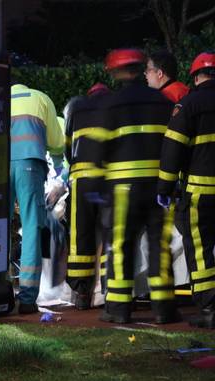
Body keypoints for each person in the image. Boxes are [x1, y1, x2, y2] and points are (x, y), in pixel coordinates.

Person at [91, 48, 177, 324]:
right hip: (157, 187)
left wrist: (96, 185)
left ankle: (117, 308)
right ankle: (163, 308)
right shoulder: (161, 102)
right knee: (158, 246)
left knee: (121, 246)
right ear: (140, 69)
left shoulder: (111, 104)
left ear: (117, 72)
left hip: (122, 189)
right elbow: (172, 143)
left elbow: (97, 149)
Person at [157, 52, 215, 328]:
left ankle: (209, 308)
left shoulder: (188, 105)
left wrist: (165, 187)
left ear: (195, 76)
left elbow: (173, 149)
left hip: (200, 191)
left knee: (201, 249)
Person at [10, 83, 65, 314]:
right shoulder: (42, 99)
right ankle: (27, 298)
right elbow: (57, 141)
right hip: (30, 164)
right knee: (31, 226)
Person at [63, 82, 110, 310]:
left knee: (81, 235)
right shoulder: (114, 107)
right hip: (107, 176)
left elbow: (67, 147)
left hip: (81, 177)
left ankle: (82, 292)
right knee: (110, 234)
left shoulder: (76, 109)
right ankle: (110, 291)